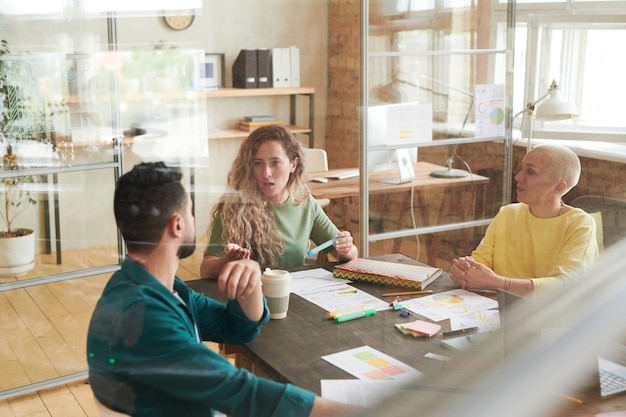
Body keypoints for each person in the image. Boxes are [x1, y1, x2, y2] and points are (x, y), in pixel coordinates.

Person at [87, 162, 356, 417]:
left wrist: (250, 281)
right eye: (191, 211)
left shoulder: (161, 289)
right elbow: (242, 391)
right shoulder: (144, 318)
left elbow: (235, 329)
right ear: (177, 225)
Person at [201, 125, 357, 279]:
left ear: (293, 164)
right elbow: (206, 270)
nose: (266, 173)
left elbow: (347, 254)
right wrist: (228, 261)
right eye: (258, 163)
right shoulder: (235, 206)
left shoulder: (305, 202)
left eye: (275, 162)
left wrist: (346, 248)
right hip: (251, 296)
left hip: (294, 293)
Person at [450, 144, 599, 296]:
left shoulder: (580, 224)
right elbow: (480, 262)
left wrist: (498, 282)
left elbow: (564, 285)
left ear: (559, 186)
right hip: (500, 308)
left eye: (530, 171)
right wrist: (465, 270)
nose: (518, 177)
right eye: (522, 169)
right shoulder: (507, 213)